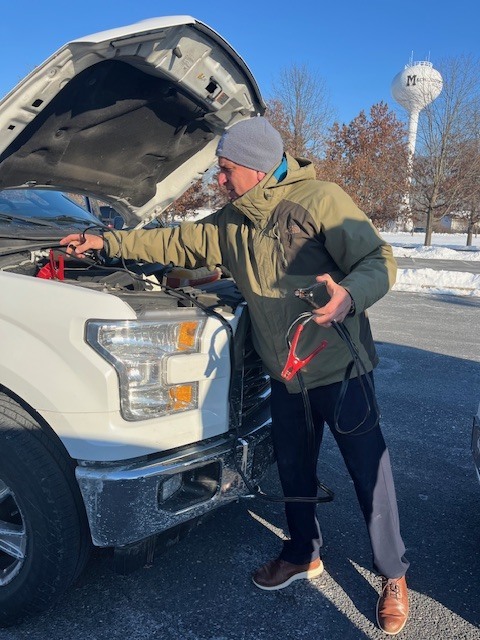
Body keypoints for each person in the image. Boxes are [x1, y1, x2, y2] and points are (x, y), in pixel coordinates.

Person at [61, 116, 409, 635]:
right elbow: (175, 243)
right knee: (294, 470)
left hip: (340, 367)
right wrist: (106, 244)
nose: (217, 180)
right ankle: (301, 553)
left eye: (225, 170)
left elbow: (378, 259)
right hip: (285, 373)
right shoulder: (232, 221)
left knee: (368, 473)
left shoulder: (320, 200)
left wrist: (350, 295)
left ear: (255, 167)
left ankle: (393, 574)